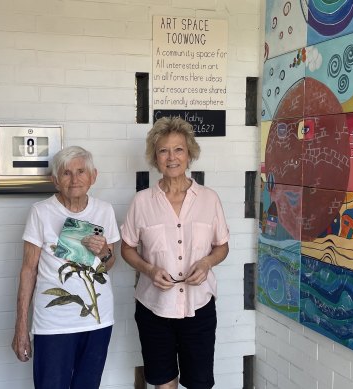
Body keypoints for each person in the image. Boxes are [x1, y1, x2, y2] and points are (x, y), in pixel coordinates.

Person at [121, 117, 229, 389]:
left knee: (199, 383)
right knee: (163, 383)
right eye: (163, 150)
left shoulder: (209, 199)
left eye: (178, 149)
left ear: (189, 154)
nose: (171, 157)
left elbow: (222, 246)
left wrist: (206, 263)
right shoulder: (141, 202)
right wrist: (149, 270)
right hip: (154, 308)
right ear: (154, 157)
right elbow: (126, 248)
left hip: (199, 307)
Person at [12, 146, 120, 389]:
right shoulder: (40, 212)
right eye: (66, 173)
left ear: (93, 176)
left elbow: (109, 263)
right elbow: (28, 270)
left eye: (81, 171)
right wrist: (21, 327)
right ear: (55, 180)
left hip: (97, 320)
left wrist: (103, 252)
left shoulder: (104, 210)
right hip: (53, 323)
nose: (75, 179)